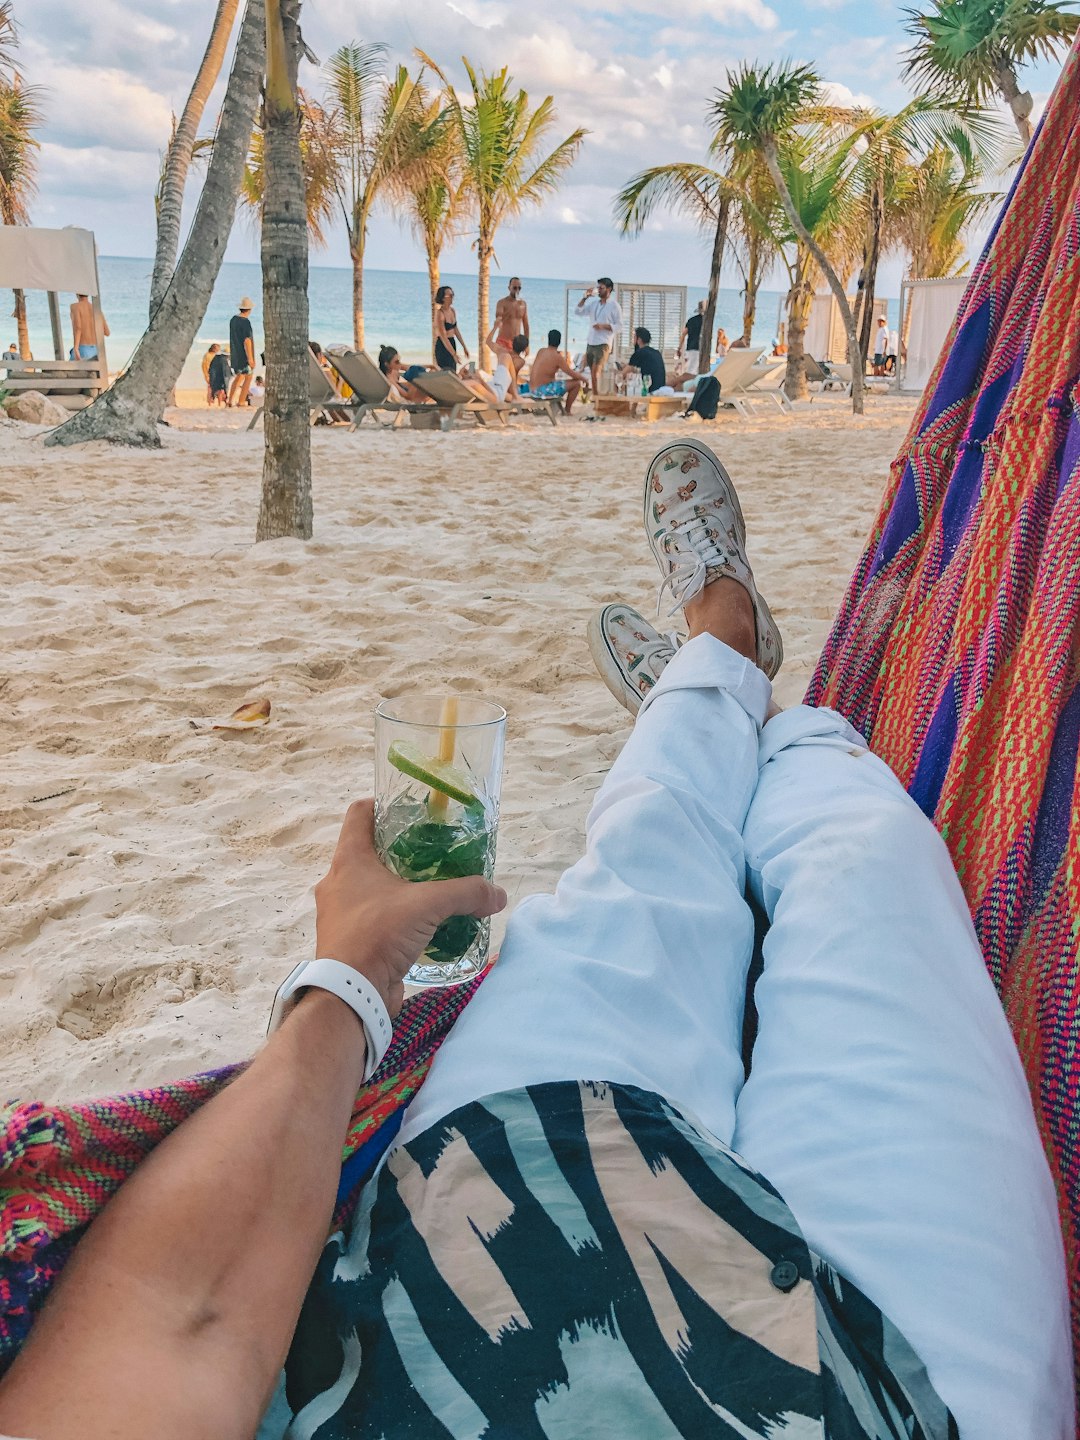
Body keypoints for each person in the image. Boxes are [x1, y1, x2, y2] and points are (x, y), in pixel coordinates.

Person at [0, 442, 1070, 1440]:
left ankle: (719, 662)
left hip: (494, 1208)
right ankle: (750, 701)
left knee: (647, 855)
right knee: (863, 838)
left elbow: (180, 1316)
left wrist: (353, 976)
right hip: (894, 1389)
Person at [574, 276, 622, 396]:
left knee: (596, 371)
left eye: (602, 288)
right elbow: (578, 311)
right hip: (591, 342)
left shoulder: (614, 306)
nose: (599, 290)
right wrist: (585, 298)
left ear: (609, 289)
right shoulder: (594, 304)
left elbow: (619, 326)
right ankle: (596, 396)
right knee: (592, 373)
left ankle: (596, 397)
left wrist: (604, 326)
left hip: (603, 343)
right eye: (598, 288)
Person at [527, 328, 587, 414]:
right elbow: (571, 373)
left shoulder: (541, 351)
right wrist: (584, 379)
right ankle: (567, 411)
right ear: (559, 342)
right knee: (576, 383)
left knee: (557, 381)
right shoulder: (557, 357)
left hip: (532, 388)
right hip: (542, 391)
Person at [619, 325, 666, 395]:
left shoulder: (639, 352)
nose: (632, 340)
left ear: (639, 340)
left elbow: (623, 373)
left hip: (649, 390)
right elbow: (647, 368)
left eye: (634, 337)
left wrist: (618, 373)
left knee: (620, 381)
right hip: (661, 389)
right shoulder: (656, 352)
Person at [228, 298, 256, 408]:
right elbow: (247, 341)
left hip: (235, 352)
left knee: (239, 376)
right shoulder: (245, 322)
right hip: (243, 354)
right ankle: (241, 401)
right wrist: (250, 358)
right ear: (249, 309)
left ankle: (230, 400)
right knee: (248, 377)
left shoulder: (233, 320)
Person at [492, 276, 529, 359]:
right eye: (514, 288)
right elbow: (498, 317)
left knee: (513, 369)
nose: (517, 290)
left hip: (517, 343)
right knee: (504, 366)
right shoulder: (502, 303)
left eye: (519, 288)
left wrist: (526, 345)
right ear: (509, 288)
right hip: (503, 341)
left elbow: (526, 325)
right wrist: (501, 317)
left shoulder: (523, 304)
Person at [433, 285, 468, 370]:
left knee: (453, 370)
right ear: (443, 298)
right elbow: (443, 337)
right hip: (442, 346)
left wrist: (464, 346)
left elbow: (455, 329)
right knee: (446, 372)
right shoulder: (440, 314)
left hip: (452, 343)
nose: (452, 297)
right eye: (450, 295)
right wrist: (454, 354)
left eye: (453, 295)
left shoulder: (452, 311)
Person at [69, 293, 109, 362]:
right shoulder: (96, 309)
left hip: (82, 349)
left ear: (77, 294)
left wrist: (76, 348)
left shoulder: (75, 307)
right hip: (96, 350)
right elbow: (107, 332)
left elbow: (78, 328)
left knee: (69, 371)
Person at [679, 300, 705, 374]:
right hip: (701, 349)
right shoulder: (706, 322)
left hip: (691, 347)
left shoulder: (691, 320)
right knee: (695, 371)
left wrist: (679, 347)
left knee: (690, 370)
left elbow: (684, 334)